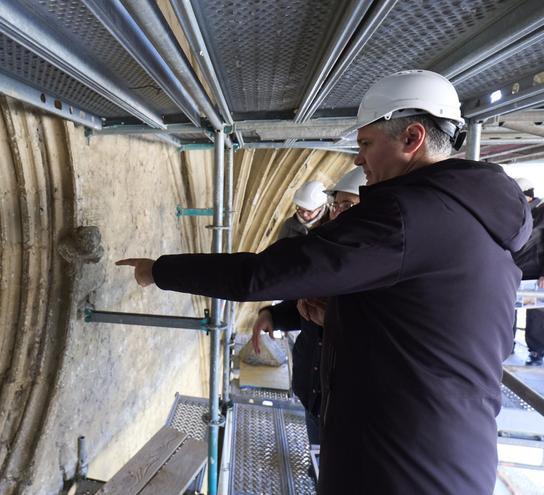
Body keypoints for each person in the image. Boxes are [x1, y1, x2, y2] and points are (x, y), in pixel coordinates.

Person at [117, 70, 531, 494]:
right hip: (441, 453)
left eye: (366, 143)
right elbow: (437, 329)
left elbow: (262, 274)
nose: (356, 159)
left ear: (412, 138)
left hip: (402, 465)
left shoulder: (407, 214)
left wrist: (159, 270)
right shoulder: (472, 218)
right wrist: (347, 314)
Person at [252, 167, 366, 448]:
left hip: (351, 405)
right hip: (314, 392)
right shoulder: (322, 245)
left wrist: (334, 319)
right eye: (336, 204)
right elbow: (305, 305)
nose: (339, 212)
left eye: (348, 205)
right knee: (318, 460)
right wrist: (273, 315)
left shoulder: (381, 262)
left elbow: (388, 336)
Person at [512, 177, 544, 365]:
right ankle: (505, 347)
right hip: (512, 271)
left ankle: (537, 351)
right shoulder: (514, 214)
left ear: (529, 197)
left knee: (537, 312)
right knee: (508, 309)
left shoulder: (541, 213)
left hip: (534, 274)